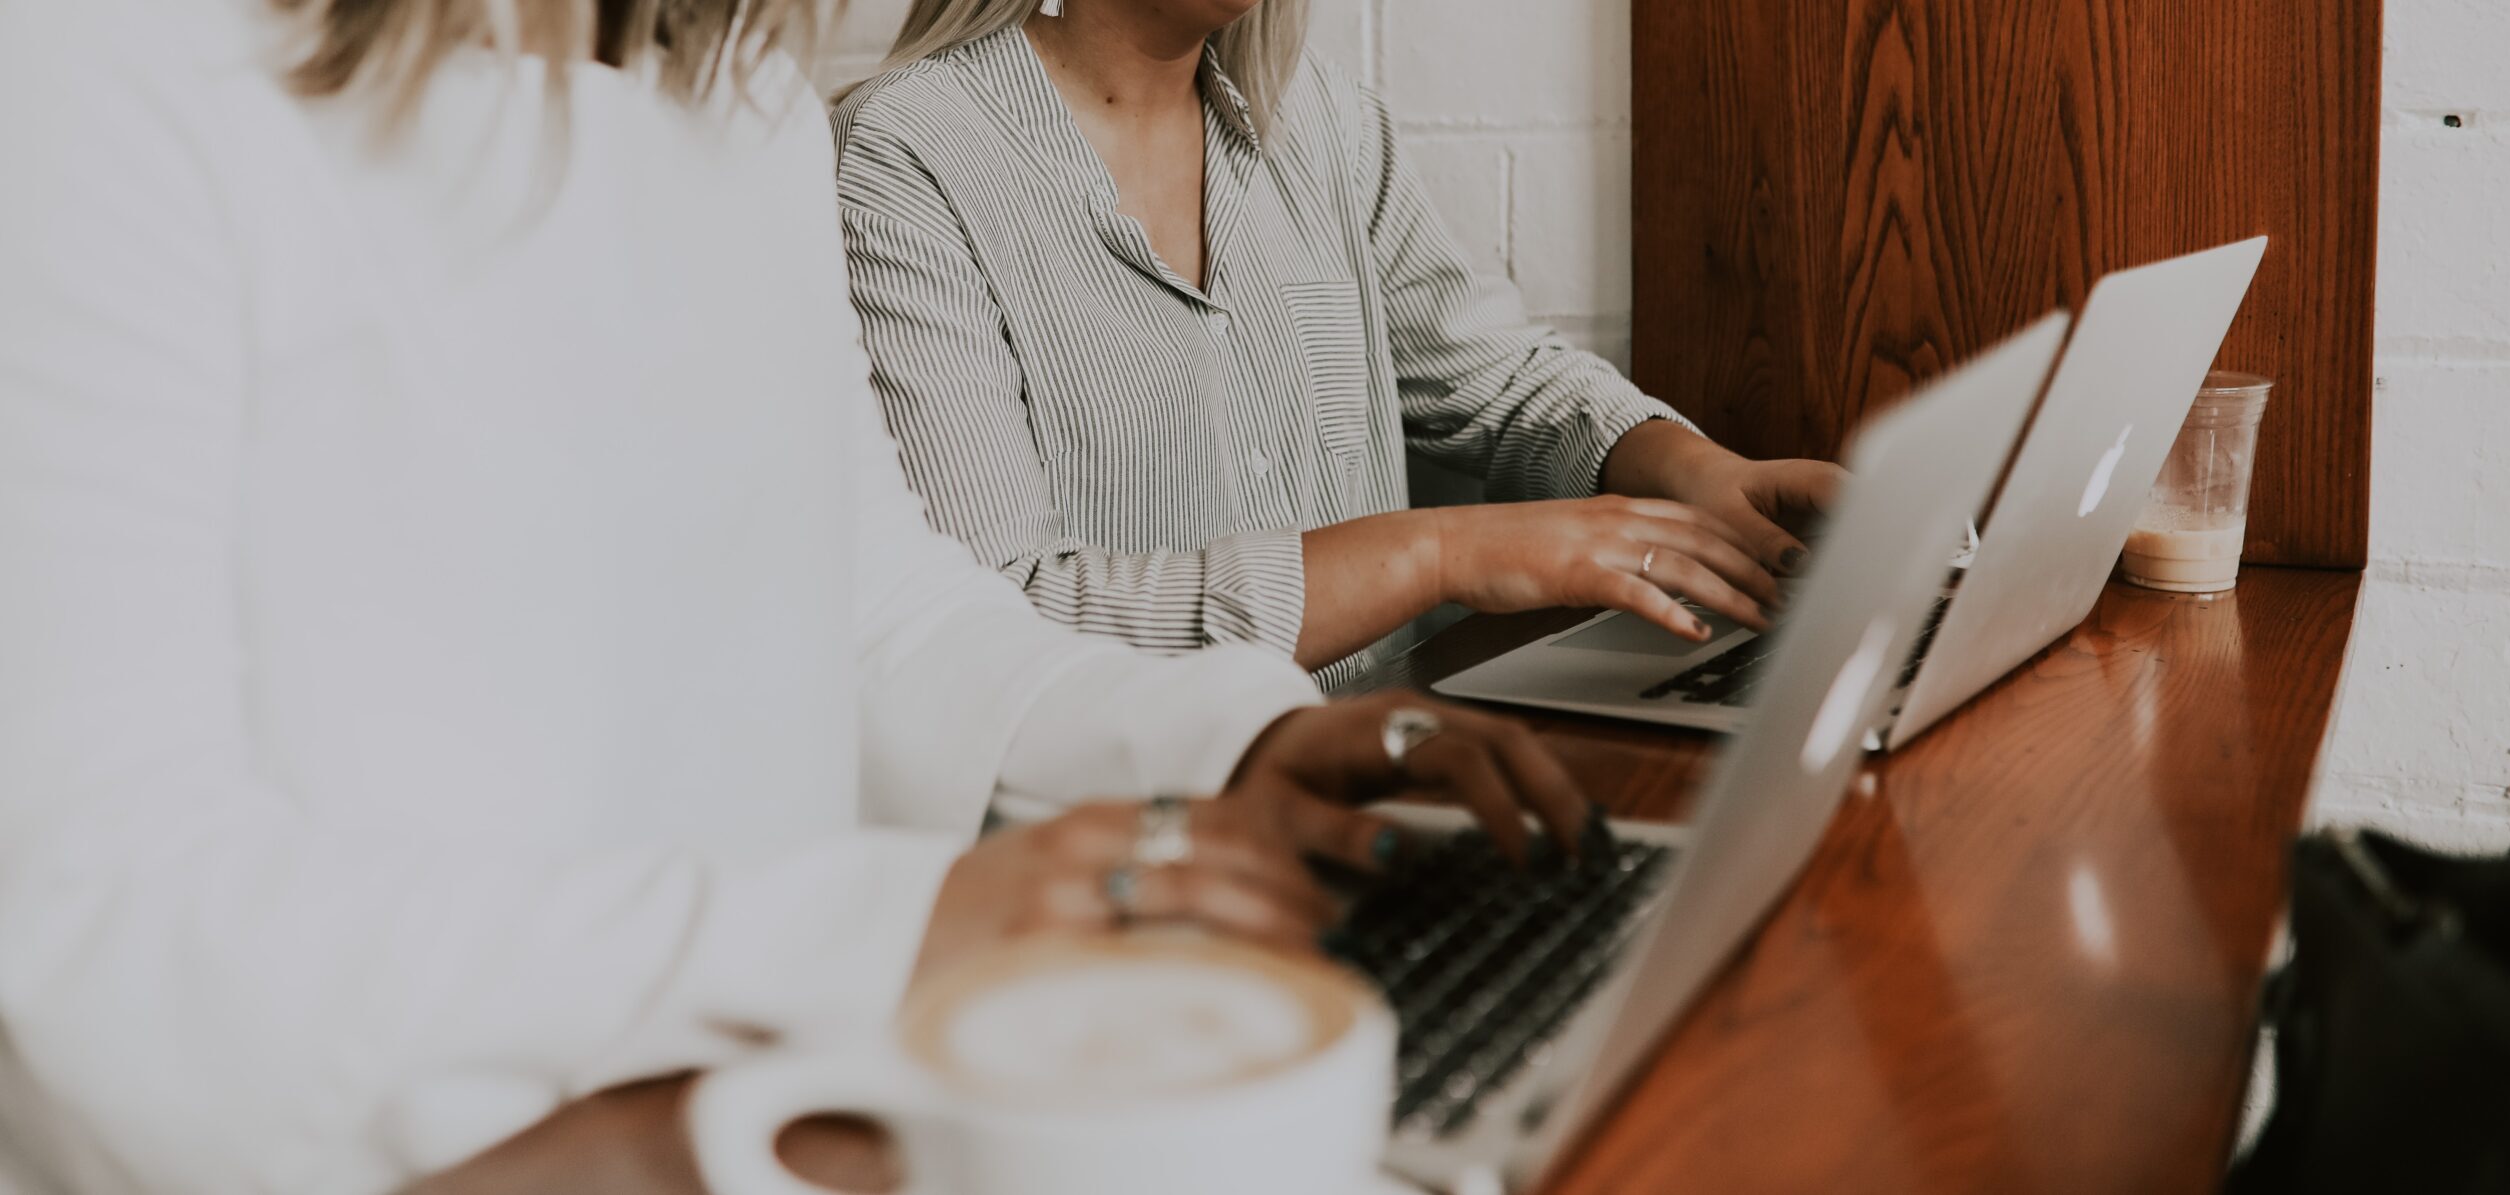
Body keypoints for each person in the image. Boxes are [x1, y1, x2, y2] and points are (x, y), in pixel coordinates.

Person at [0, 3, 1591, 1191]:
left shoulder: (735, 92)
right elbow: (102, 928)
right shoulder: (107, 72)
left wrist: (1230, 742)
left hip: (772, 1119)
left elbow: (883, 615)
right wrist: (875, 935)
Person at [831, 0, 1845, 682]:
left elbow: (1492, 379)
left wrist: (1698, 472)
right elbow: (995, 624)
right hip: (1128, 862)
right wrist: (1436, 553)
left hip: (1384, 792)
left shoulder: (1319, 124)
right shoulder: (903, 157)